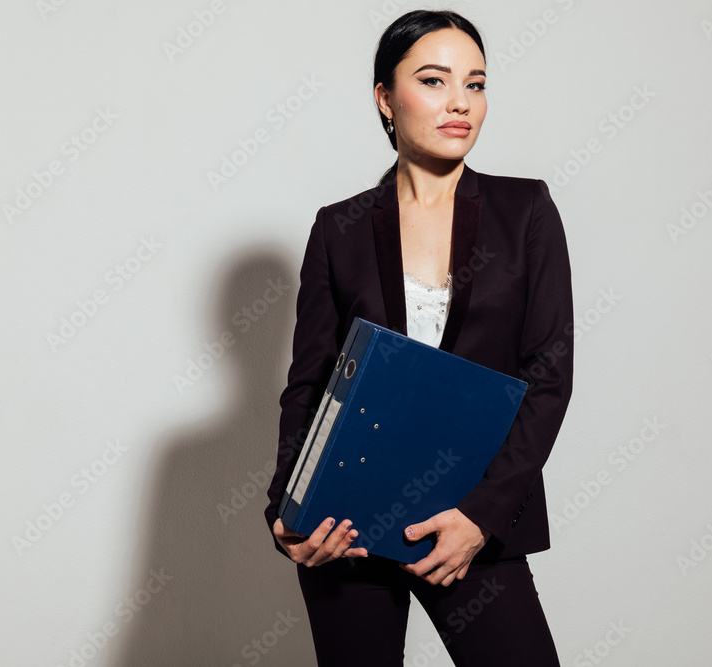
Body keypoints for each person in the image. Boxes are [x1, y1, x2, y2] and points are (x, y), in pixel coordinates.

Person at [263, 10, 573, 666]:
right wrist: (286, 511)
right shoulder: (339, 229)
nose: (460, 101)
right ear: (385, 97)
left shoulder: (527, 213)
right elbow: (310, 385)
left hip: (474, 520)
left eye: (476, 83)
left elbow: (548, 376)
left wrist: (480, 518)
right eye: (434, 80)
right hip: (345, 522)